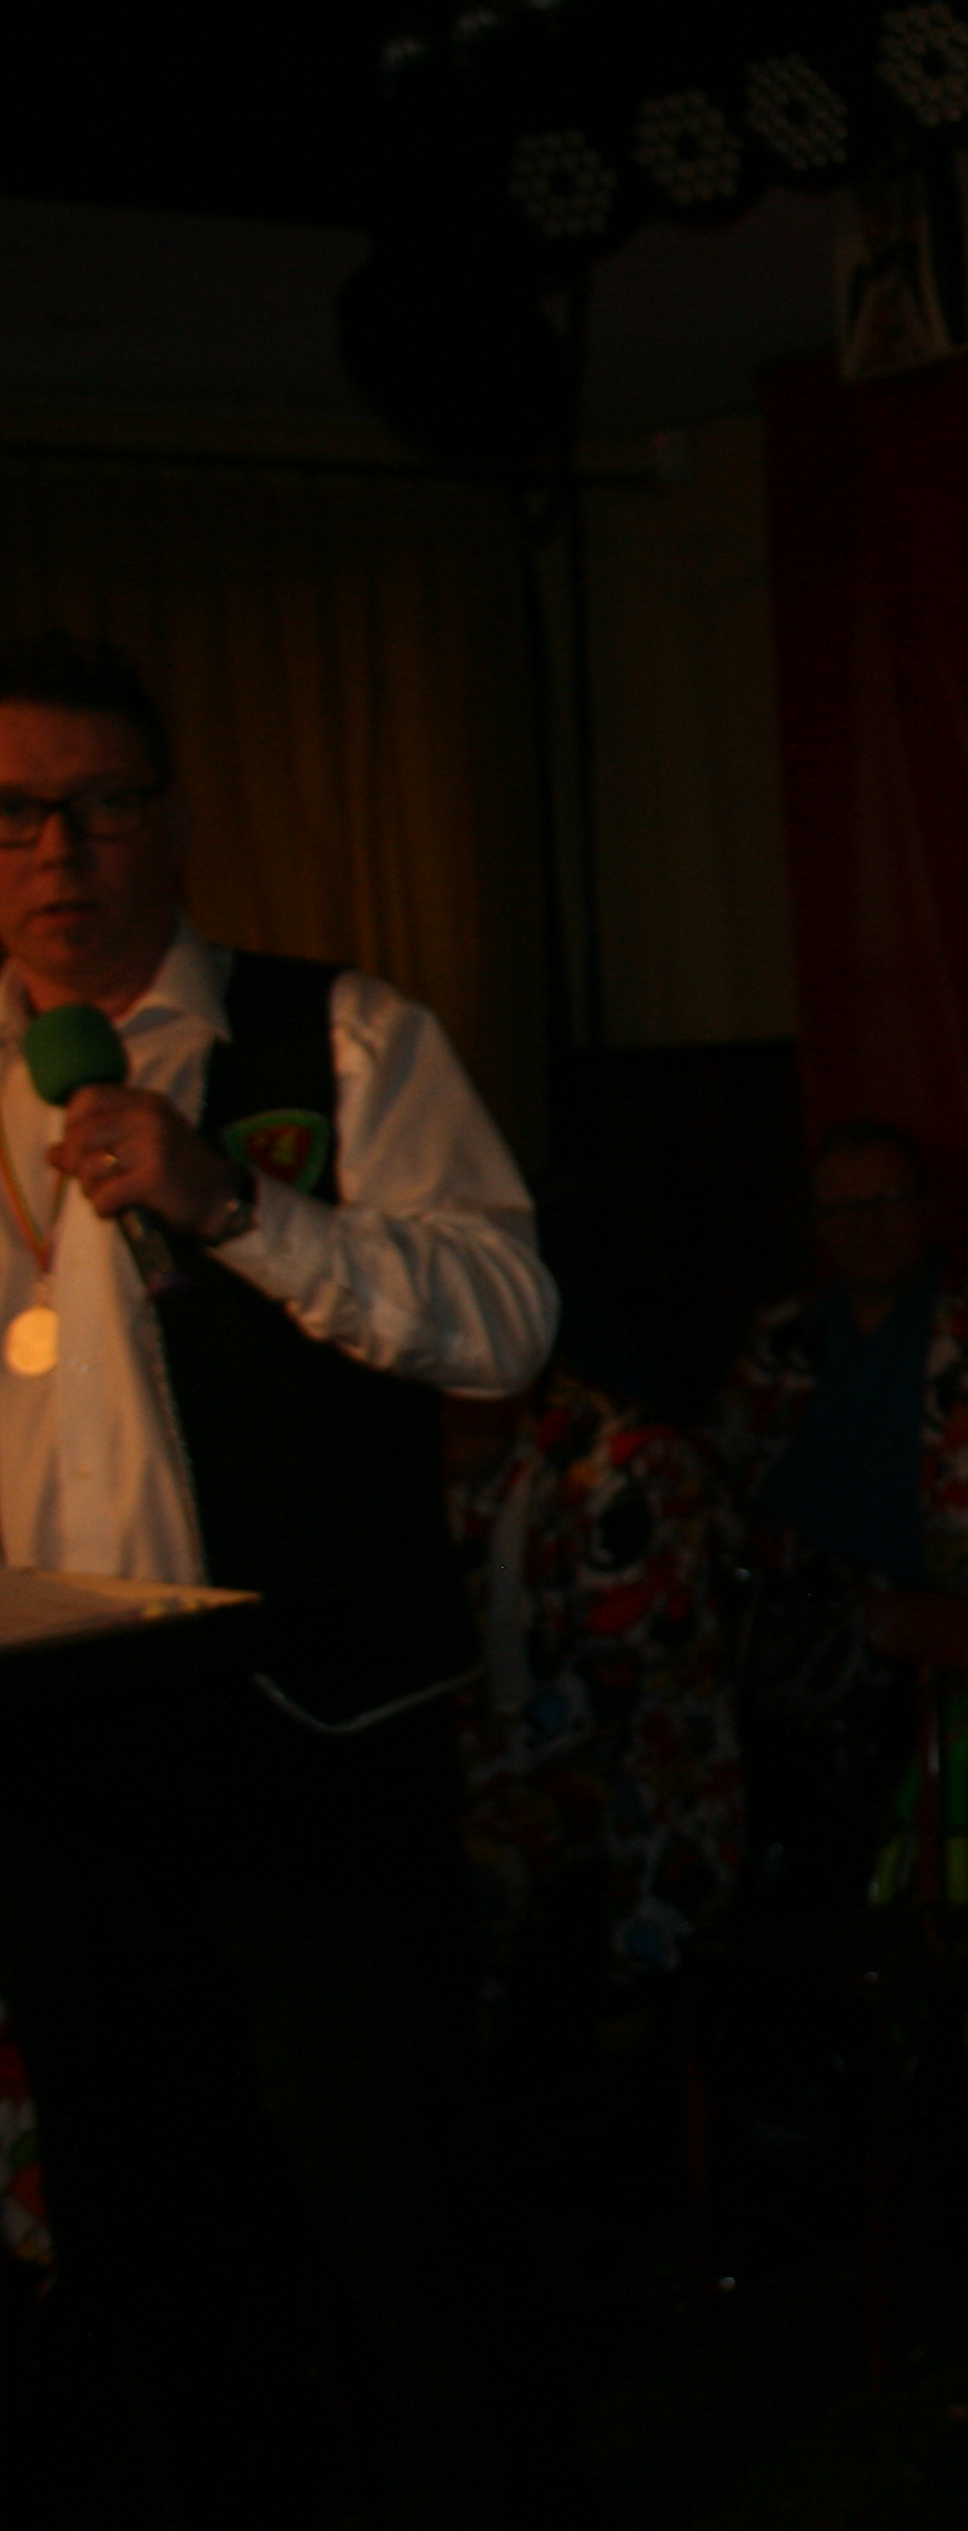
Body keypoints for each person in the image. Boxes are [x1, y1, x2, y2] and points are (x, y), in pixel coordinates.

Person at [0, 628, 562, 2522]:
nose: (60, 850)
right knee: (144, 2234)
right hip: (55, 1747)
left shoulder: (341, 1034)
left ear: (171, 825)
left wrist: (235, 1202)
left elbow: (504, 1320)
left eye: (102, 804)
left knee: (400, 2212)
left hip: (310, 1723)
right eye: (15, 814)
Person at [449, 1363, 745, 2010]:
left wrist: (463, 1765)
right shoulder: (464, 1468)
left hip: (643, 1781)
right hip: (507, 1758)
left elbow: (613, 1684)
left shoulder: (628, 1465)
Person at [721, 1117, 968, 1609]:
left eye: (888, 1201)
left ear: (925, 1205)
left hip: (951, 1612)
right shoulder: (780, 1339)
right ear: (819, 1220)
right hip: (793, 1609)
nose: (868, 1226)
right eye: (845, 1209)